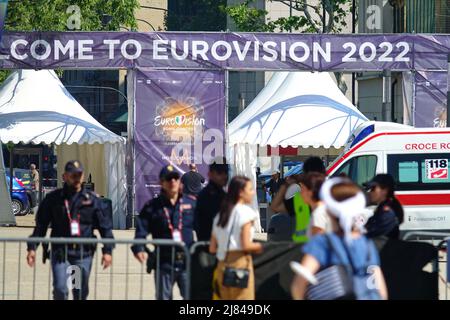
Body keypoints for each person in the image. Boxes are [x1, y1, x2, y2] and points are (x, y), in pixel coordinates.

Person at [26, 160, 114, 300]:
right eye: (73, 175)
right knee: (61, 289)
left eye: (79, 175)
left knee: (78, 292)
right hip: (61, 253)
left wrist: (107, 251)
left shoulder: (91, 200)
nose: (76, 178)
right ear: (65, 176)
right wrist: (32, 247)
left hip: (81, 254)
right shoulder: (54, 199)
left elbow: (105, 227)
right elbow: (41, 225)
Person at [290, 178, 388, 300]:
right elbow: (381, 290)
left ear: (330, 210)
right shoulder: (367, 244)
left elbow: (298, 285)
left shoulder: (323, 242)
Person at [131, 164, 196, 300]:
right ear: (161, 182)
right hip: (164, 262)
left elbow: (202, 226)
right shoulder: (152, 206)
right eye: (168, 179)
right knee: (163, 298)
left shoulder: (191, 203)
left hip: (187, 262)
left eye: (175, 178)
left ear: (179, 182)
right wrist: (138, 247)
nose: (172, 182)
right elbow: (141, 229)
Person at [209, 176, 263, 300]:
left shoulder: (220, 215)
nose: (253, 192)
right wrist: (261, 246)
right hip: (240, 264)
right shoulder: (246, 213)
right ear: (240, 192)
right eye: (250, 189)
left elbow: (212, 248)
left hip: (222, 265)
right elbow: (246, 245)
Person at [194, 157, 229, 241]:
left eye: (226, 172)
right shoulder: (205, 196)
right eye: (220, 173)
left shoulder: (224, 195)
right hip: (208, 246)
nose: (224, 176)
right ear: (210, 174)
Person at [365, 174, 404, 240]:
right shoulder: (383, 206)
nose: (370, 192)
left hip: (384, 248)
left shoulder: (388, 211)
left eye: (373, 188)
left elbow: (375, 233)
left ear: (384, 190)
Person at [298, 172, 330, 237]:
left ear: (310, 192)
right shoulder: (322, 210)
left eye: (302, 189)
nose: (300, 193)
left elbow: (319, 244)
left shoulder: (318, 215)